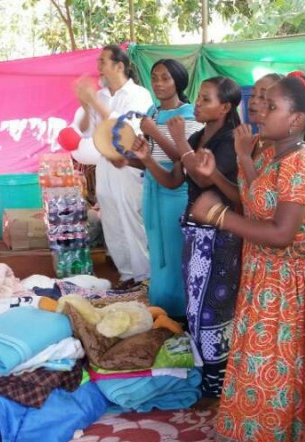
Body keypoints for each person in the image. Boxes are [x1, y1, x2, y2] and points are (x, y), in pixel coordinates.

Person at [189, 71, 305, 442]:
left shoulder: (300, 164)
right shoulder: (272, 153)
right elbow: (255, 203)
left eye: (272, 106)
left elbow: (281, 232)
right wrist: (220, 174)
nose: (261, 111)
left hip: (289, 285)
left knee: (280, 374)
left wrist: (219, 216)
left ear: (296, 120)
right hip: (264, 277)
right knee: (260, 369)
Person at [130, 76, 243, 398]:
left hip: (219, 235)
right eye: (199, 97)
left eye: (206, 99)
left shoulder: (229, 141)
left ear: (225, 107)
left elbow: (202, 177)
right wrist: (146, 159)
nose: (198, 104)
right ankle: (202, 374)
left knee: (213, 309)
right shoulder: (196, 138)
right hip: (194, 232)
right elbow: (173, 180)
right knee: (195, 306)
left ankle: (217, 381)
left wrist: (179, 140)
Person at [74, 44, 154, 288]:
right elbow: (86, 131)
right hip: (105, 162)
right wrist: (86, 105)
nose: (98, 66)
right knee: (111, 220)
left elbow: (122, 129)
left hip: (129, 162)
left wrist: (94, 102)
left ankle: (144, 277)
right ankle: (127, 275)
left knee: (131, 217)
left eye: (103, 61)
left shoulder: (138, 94)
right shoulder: (100, 96)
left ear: (119, 66)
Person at [135, 59, 203, 318]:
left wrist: (154, 132)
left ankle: (182, 311)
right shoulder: (152, 112)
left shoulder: (188, 115)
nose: (158, 83)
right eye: (154, 77)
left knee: (175, 250)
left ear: (179, 82)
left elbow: (183, 159)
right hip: (152, 186)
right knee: (156, 247)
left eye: (165, 78)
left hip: (176, 192)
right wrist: (128, 156)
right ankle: (161, 304)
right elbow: (150, 156)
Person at [234, 73, 284, 185]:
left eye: (262, 97)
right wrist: (213, 173)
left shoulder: (284, 150)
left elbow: (261, 195)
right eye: (252, 95)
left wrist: (245, 157)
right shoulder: (252, 141)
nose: (253, 101)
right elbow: (242, 193)